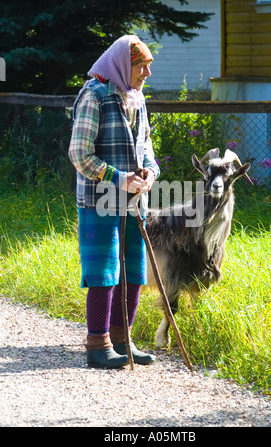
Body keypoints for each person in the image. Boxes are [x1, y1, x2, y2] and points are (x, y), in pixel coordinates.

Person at [69, 35, 159, 369]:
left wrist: (150, 172)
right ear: (123, 64)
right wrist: (118, 178)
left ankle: (123, 341)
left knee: (133, 271)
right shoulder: (95, 95)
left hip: (134, 202)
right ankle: (98, 346)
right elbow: (79, 154)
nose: (147, 73)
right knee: (104, 270)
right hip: (99, 199)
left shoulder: (136, 97)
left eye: (148, 65)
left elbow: (147, 147)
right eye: (141, 65)